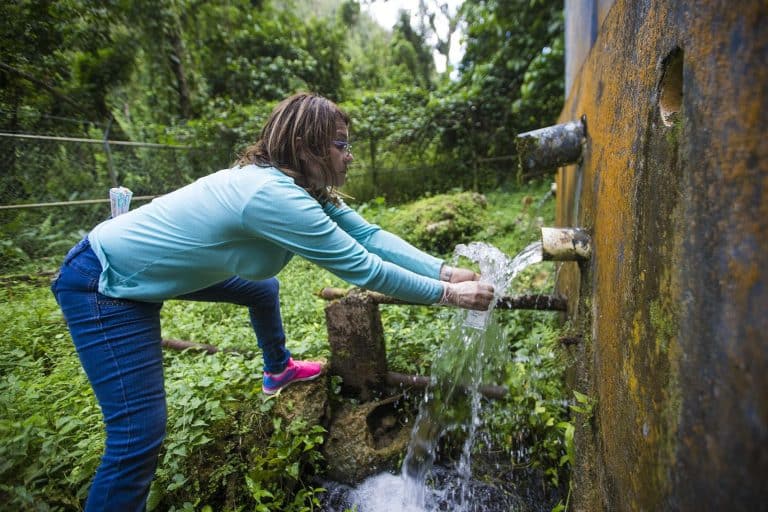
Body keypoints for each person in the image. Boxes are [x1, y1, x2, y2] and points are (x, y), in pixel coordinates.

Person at [50, 92, 495, 511]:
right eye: (340, 144)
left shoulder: (303, 189)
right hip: (105, 281)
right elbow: (366, 268)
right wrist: (451, 295)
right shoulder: (273, 197)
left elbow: (371, 236)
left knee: (260, 288)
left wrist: (443, 270)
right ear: (306, 147)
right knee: (136, 436)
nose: (349, 154)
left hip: (147, 270)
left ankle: (277, 369)